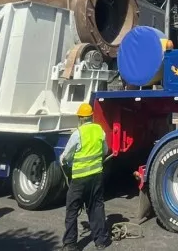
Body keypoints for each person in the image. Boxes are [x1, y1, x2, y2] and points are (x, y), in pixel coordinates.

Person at [60, 102, 111, 251]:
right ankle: (101, 241)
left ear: (80, 118)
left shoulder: (78, 134)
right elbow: (105, 151)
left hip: (79, 179)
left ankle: (70, 244)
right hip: (96, 177)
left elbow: (66, 156)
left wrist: (63, 161)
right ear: (91, 117)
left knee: (72, 210)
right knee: (96, 207)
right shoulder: (99, 130)